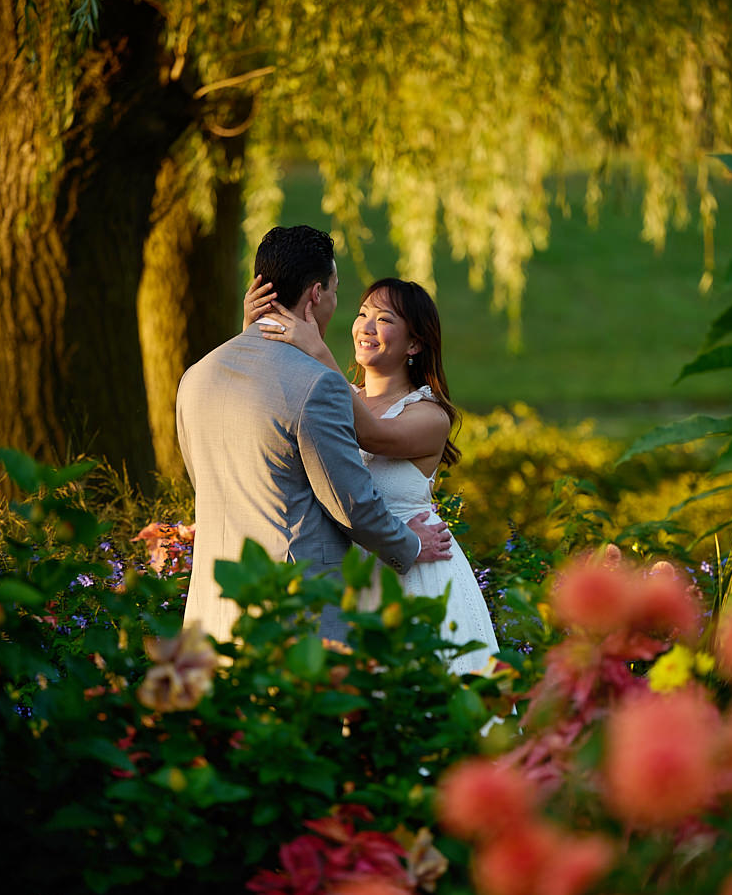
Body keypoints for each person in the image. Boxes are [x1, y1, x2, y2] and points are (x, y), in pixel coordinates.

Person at [176, 226, 453, 644]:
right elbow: (350, 502)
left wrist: (252, 331)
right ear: (316, 295)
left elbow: (210, 481)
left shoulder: (198, 377)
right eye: (342, 295)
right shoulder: (317, 385)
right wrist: (409, 546)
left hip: (213, 606)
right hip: (293, 608)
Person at [243, 273, 499, 676]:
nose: (366, 326)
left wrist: (319, 355)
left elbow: (371, 434)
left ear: (414, 344)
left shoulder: (430, 417)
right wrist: (255, 329)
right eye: (363, 313)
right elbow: (268, 403)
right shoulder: (332, 393)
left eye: (384, 319)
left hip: (416, 571)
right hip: (347, 574)